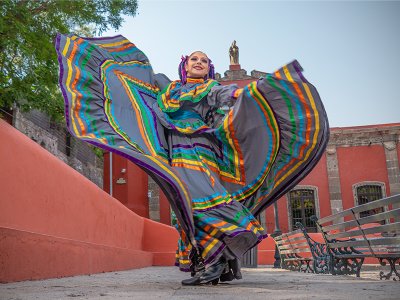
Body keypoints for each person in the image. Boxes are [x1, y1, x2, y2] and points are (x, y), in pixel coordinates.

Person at [55, 34, 329, 285]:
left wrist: (244, 92)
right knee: (184, 207)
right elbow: (140, 89)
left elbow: (222, 93)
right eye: (194, 59)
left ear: (209, 69)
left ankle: (222, 252)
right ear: (184, 66)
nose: (199, 62)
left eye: (204, 60)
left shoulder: (209, 87)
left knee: (198, 200)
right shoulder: (169, 89)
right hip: (176, 150)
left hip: (199, 148)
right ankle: (214, 262)